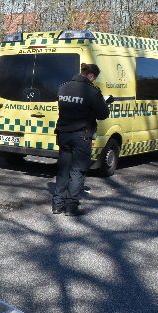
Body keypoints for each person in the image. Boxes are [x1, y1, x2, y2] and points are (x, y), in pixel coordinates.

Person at [52, 63, 110, 216]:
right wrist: (104, 103)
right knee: (77, 171)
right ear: (91, 76)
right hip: (81, 136)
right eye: (94, 78)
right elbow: (103, 114)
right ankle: (71, 207)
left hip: (63, 134)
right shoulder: (92, 91)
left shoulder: (63, 87)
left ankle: (57, 205)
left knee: (63, 170)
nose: (94, 81)